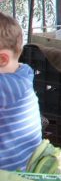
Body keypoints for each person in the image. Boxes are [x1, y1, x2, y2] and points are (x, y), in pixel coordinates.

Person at [0, 12, 43, 171]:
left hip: (8, 177)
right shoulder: (22, 73)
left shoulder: (6, 85)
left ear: (2, 59)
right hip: (25, 168)